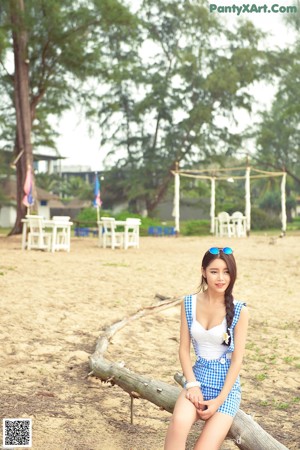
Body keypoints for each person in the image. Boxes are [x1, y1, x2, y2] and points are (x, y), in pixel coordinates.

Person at [164, 247, 248, 450]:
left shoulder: (240, 311)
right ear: (203, 271)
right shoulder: (189, 303)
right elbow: (184, 350)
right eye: (214, 271)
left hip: (226, 390)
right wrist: (192, 385)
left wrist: (219, 400)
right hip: (197, 380)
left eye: (226, 271)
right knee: (178, 424)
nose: (221, 278)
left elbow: (237, 361)